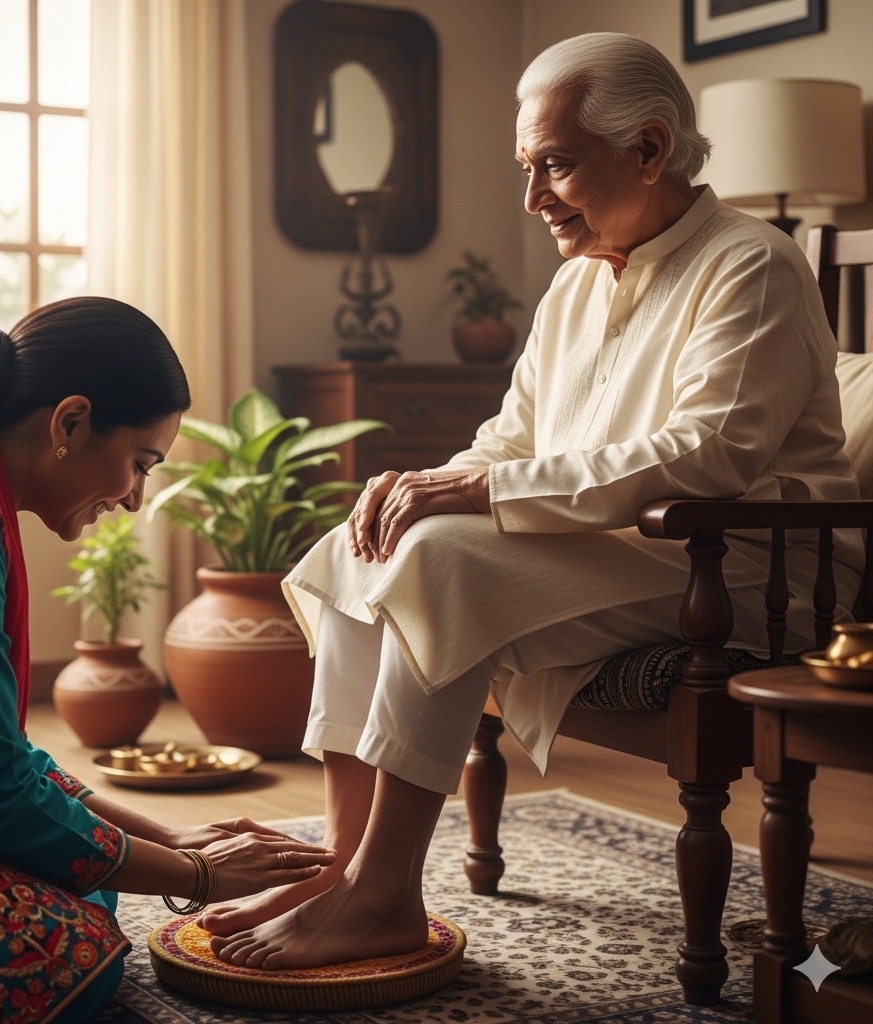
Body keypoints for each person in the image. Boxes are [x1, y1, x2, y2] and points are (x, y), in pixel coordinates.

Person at [202, 32, 864, 970]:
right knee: (371, 545)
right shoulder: (574, 284)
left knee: (438, 567)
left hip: (738, 562)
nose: (532, 197)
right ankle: (349, 874)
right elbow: (510, 441)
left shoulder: (752, 264)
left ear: (649, 147)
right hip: (619, 550)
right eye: (528, 166)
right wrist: (424, 487)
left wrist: (481, 489)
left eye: (555, 165)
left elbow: (709, 457)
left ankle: (385, 896)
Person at [0, 296, 334, 1024]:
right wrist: (199, 874)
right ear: (70, 422)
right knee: (71, 962)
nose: (137, 499)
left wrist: (170, 837)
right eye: (141, 463)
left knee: (85, 881)